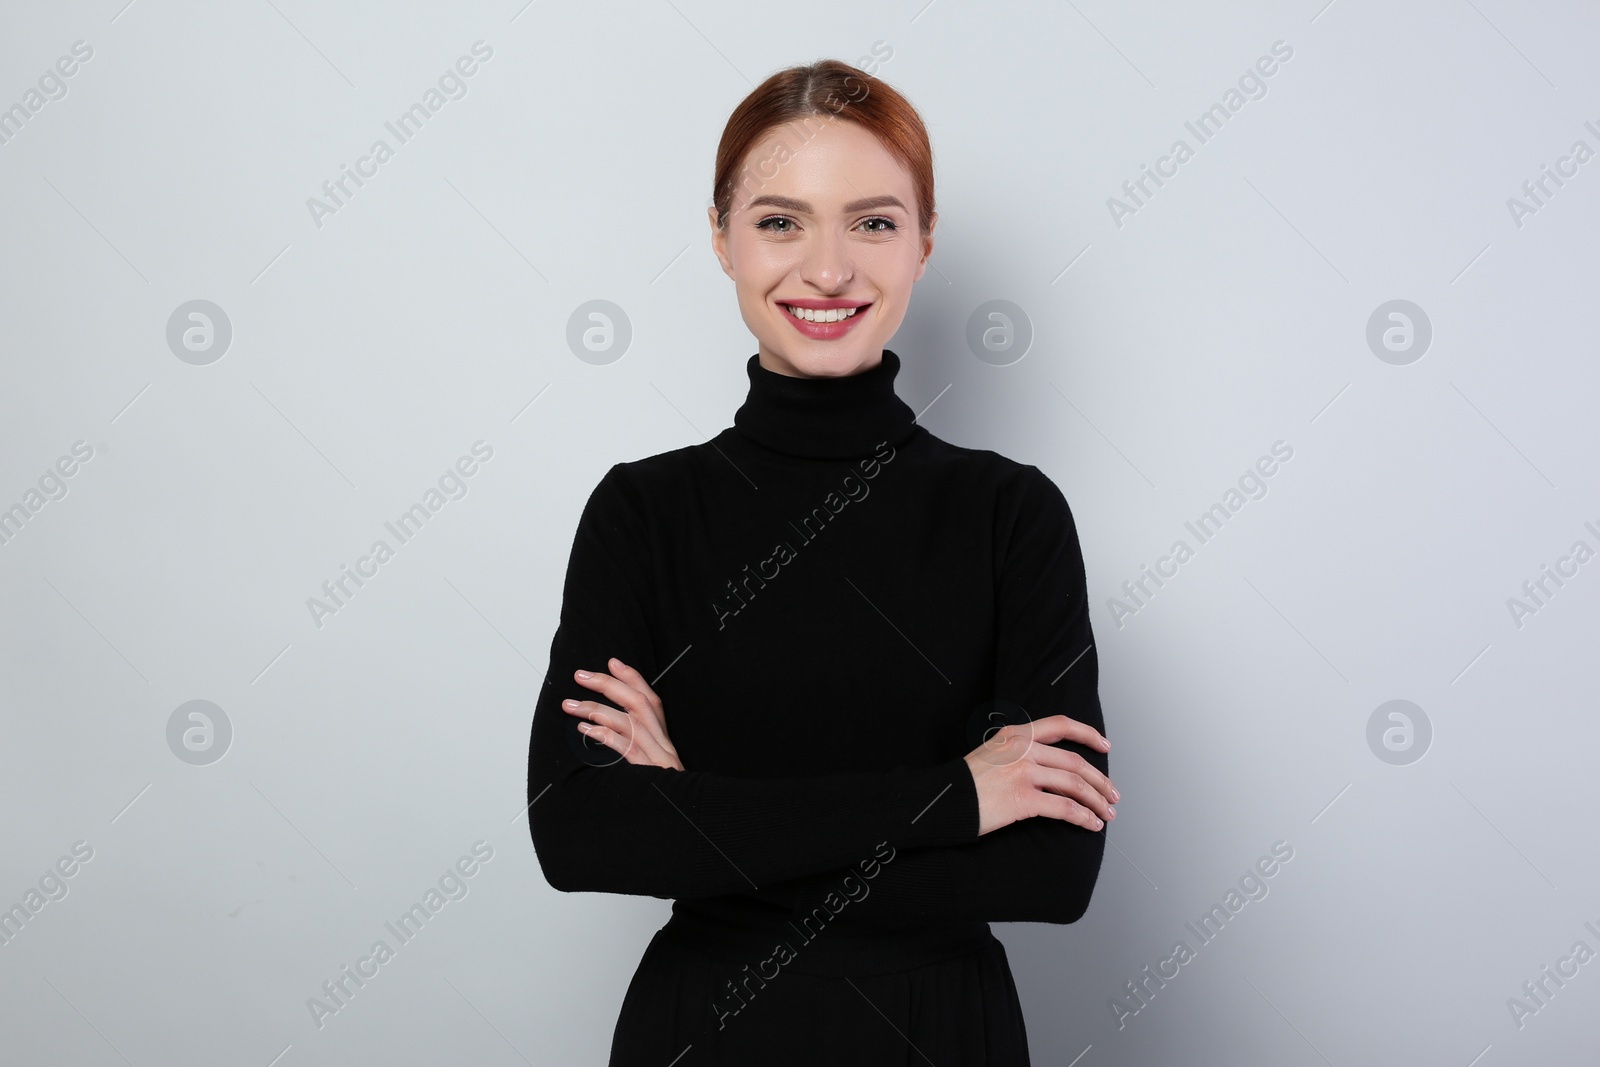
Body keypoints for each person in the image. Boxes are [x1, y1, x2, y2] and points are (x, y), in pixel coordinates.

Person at [526, 58, 1119, 1066]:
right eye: (780, 220)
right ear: (720, 238)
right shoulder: (644, 510)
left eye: (875, 222)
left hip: (941, 1033)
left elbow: (1052, 873)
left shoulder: (1008, 513)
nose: (829, 269)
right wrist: (953, 798)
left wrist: (699, 817)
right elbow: (582, 835)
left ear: (925, 242)